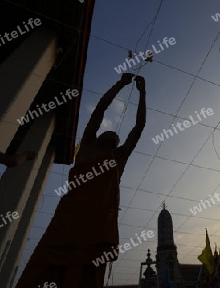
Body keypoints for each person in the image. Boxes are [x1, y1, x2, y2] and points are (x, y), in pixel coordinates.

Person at [16, 73, 146, 288]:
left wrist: (142, 93)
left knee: (89, 269)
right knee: (48, 262)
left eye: (117, 137)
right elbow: (101, 108)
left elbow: (139, 126)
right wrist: (120, 84)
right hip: (70, 216)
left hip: (100, 219)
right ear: (99, 137)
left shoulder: (119, 157)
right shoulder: (86, 147)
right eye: (110, 133)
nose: (114, 136)